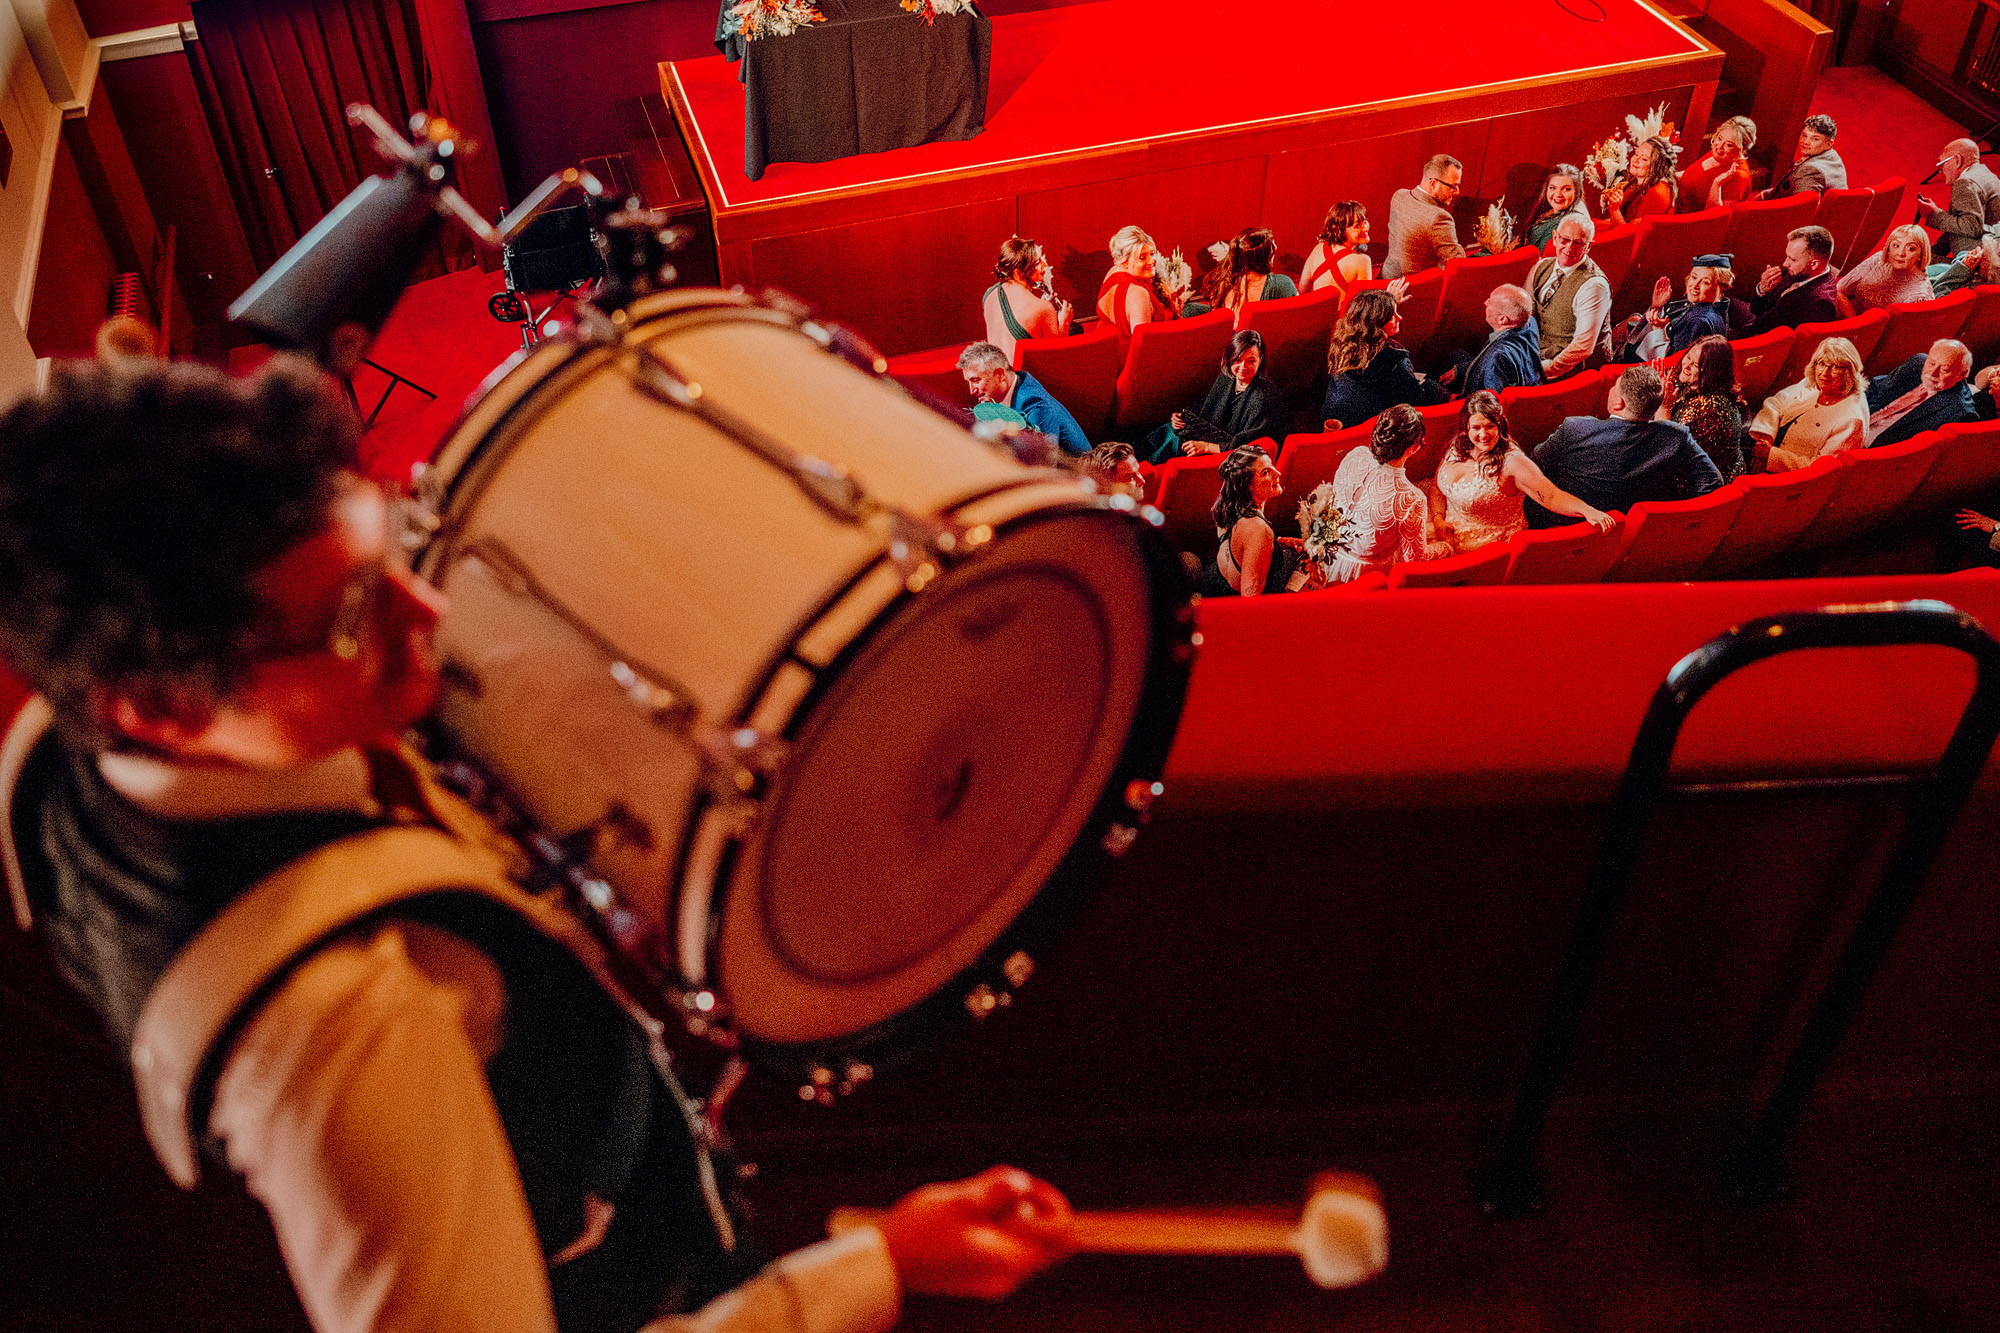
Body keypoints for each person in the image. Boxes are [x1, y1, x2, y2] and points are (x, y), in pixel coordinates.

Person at [0, 355, 1076, 1333]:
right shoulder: (348, 1034)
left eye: (383, 542)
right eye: (351, 617)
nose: (425, 609)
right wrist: (880, 1265)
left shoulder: (54, 748)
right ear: (160, 709)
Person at [1525, 364, 1723, 525]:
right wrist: (1668, 518)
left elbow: (1534, 464)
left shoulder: (1575, 428)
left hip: (1570, 527)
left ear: (1618, 403)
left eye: (1615, 386)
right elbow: (1712, 482)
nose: (1611, 389)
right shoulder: (1676, 437)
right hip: (1637, 535)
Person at [1428, 391, 1614, 553]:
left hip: (1488, 548)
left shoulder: (1513, 463)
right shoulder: (1458, 445)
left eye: (1490, 426)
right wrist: (1438, 521)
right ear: (1466, 428)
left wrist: (1587, 510)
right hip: (1444, 526)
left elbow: (1551, 496)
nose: (1483, 435)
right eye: (1476, 428)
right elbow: (1437, 487)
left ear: (1500, 426)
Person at [1151, 330, 1290, 460]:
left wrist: (1206, 447)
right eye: (1237, 360)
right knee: (1169, 430)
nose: (1243, 367)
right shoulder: (1227, 376)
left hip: (1236, 454)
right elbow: (1207, 405)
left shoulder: (1265, 397)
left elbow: (1251, 447)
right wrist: (1181, 417)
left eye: (1251, 361)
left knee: (1176, 443)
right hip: (1218, 435)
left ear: (1261, 359)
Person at [1321, 289, 1447, 430]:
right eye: (1392, 316)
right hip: (1375, 430)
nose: (1400, 318)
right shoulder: (1395, 359)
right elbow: (1416, 398)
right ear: (1377, 322)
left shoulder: (1340, 345)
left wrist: (1384, 302)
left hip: (1336, 425)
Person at [1748, 335, 1870, 471]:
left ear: (1849, 372)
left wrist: (1771, 455)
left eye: (1835, 367)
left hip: (1787, 475)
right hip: (1764, 447)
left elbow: (1823, 469)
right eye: (1822, 364)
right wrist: (1766, 434)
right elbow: (1775, 403)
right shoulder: (1815, 383)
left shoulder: (1852, 420)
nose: (1825, 373)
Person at [1198, 444, 1306, 597]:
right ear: (1248, 486)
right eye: (1265, 472)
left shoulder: (1228, 504)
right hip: (1228, 602)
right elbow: (1250, 600)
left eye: (1272, 466)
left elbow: (1240, 547)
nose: (1278, 473)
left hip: (1213, 581)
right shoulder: (1258, 530)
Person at [958, 342, 1091, 456]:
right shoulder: (1015, 384)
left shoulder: (1036, 406)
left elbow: (1041, 463)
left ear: (1000, 375)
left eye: (976, 380)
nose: (971, 391)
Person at [1528, 214, 1613, 380]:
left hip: (1576, 371)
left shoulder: (1594, 285)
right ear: (1555, 238)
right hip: (1540, 353)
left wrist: (1547, 369)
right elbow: (1526, 314)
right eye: (1564, 240)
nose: (1569, 248)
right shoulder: (1541, 267)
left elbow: (1583, 347)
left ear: (1588, 247)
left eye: (1578, 243)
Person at [1863, 339, 1991, 448]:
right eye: (1932, 363)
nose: (1933, 373)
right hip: (1858, 422)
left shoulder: (1960, 413)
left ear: (1962, 375)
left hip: (1874, 452)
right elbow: (1875, 388)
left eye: (1944, 369)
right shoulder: (1918, 363)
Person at [1657, 334, 1748, 479]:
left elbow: (1667, 449)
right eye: (1688, 357)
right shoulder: (1693, 382)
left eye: (1695, 365)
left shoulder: (1710, 409)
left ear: (1712, 372)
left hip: (1703, 482)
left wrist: (1664, 408)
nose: (1686, 366)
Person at [1613, 257, 1736, 362]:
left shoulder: (1699, 321)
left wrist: (1658, 329)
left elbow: (1673, 364)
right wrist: (1657, 308)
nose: (1695, 286)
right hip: (1641, 351)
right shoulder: (1711, 306)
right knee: (1634, 320)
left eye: (1705, 282)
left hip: (1641, 368)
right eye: (1694, 277)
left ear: (1720, 287)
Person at [1739, 225, 1842, 338]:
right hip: (1756, 321)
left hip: (1759, 338)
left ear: (1814, 264)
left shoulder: (1821, 305)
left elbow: (1787, 343)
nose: (1785, 263)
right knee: (1725, 299)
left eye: (1793, 259)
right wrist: (1762, 290)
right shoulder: (1800, 270)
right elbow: (1756, 310)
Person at [981, 236, 1071, 359]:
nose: (1044, 266)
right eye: (1038, 263)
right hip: (1022, 371)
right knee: (1075, 329)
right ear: (1018, 273)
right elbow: (1056, 358)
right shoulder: (1043, 308)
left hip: (995, 368)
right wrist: (1064, 324)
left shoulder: (989, 295)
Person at [1384, 153, 1466, 280]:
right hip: (1414, 287)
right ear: (1433, 184)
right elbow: (1458, 264)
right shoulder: (1439, 218)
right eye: (1453, 186)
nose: (1457, 192)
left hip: (1386, 277)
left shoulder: (1399, 196)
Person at [1184, 227, 1297, 317]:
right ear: (1266, 255)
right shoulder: (1281, 283)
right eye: (1273, 245)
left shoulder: (1223, 283)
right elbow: (1294, 320)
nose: (1276, 247)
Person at [1916, 138, 2000, 257]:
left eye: (1941, 164)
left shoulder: (1965, 183)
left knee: (1914, 260)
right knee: (1954, 226)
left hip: (1987, 255)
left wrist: (1932, 214)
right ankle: (1930, 255)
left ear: (1957, 160)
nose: (1940, 171)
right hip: (1993, 241)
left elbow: (1971, 227)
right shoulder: (1984, 173)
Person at [1457, 284, 1544, 396]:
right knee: (1456, 354)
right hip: (1527, 384)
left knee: (1433, 388)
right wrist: (1460, 370)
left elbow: (1494, 401)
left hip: (1475, 402)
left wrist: (1453, 398)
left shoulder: (1497, 356)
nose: (1485, 302)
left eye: (1490, 302)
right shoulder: (1530, 323)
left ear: (1502, 319)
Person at [1835, 224, 1935, 316]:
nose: (1900, 253)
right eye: (1896, 245)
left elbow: (1895, 328)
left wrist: (1856, 326)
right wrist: (1852, 320)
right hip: (1844, 314)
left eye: (1911, 249)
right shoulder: (1879, 259)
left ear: (1921, 255)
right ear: (1888, 248)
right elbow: (1839, 289)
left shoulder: (1920, 296)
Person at [1097, 225, 1170, 336]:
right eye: (1142, 257)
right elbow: (1143, 343)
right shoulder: (1138, 293)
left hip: (1107, 345)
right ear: (1124, 261)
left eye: (1151, 254)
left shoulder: (1113, 272)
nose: (1151, 261)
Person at [1756, 113, 1847, 199]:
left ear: (1829, 144)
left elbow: (1802, 206)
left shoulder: (1811, 170)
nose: (1806, 142)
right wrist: (1764, 195)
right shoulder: (1832, 157)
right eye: (1804, 135)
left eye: (1815, 139)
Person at [1678, 116, 1757, 211]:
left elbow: (1717, 217)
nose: (1719, 146)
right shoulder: (1718, 154)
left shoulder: (1739, 177)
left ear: (1741, 149)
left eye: (1729, 145)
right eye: (1719, 138)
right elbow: (1691, 176)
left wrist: (1717, 184)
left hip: (1688, 218)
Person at [1598, 135, 1679, 225]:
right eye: (1636, 154)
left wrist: (1614, 209)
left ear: (1659, 166)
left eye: (1644, 159)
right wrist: (1610, 201)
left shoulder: (1657, 193)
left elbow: (1631, 233)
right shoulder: (1636, 182)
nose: (1635, 160)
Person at [1301, 201, 1375, 297]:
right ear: (1340, 230)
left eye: (1365, 222)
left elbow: (1302, 290)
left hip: (1317, 307)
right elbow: (1365, 303)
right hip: (1346, 308)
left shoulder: (1318, 248)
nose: (1365, 228)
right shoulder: (1362, 261)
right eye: (1357, 226)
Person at [1522, 164, 1590, 251]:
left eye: (1566, 189)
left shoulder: (1566, 224)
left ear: (1577, 192)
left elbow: (1543, 255)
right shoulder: (1549, 211)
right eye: (1553, 188)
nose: (1558, 194)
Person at [1931, 229, 2000, 295]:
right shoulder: (1977, 271)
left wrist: (1962, 268)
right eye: (1983, 248)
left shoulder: (1971, 289)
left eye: (1984, 258)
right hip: (1938, 271)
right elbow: (1960, 255)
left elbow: (1936, 293)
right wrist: (1967, 258)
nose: (1979, 253)